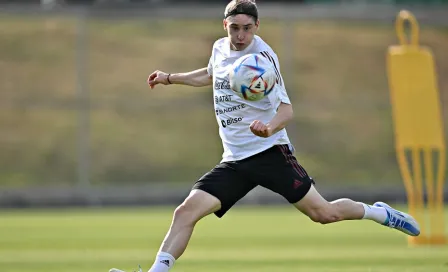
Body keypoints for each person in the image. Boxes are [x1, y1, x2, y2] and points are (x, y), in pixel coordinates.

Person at [110, 1, 420, 271]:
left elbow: (286, 110)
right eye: (234, 28)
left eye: (247, 28)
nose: (240, 35)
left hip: (270, 152)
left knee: (324, 214)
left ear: (257, 25)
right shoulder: (219, 47)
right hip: (234, 160)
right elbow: (211, 73)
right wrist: (169, 78)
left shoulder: (262, 60)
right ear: (225, 25)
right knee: (185, 212)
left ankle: (380, 213)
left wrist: (268, 127)